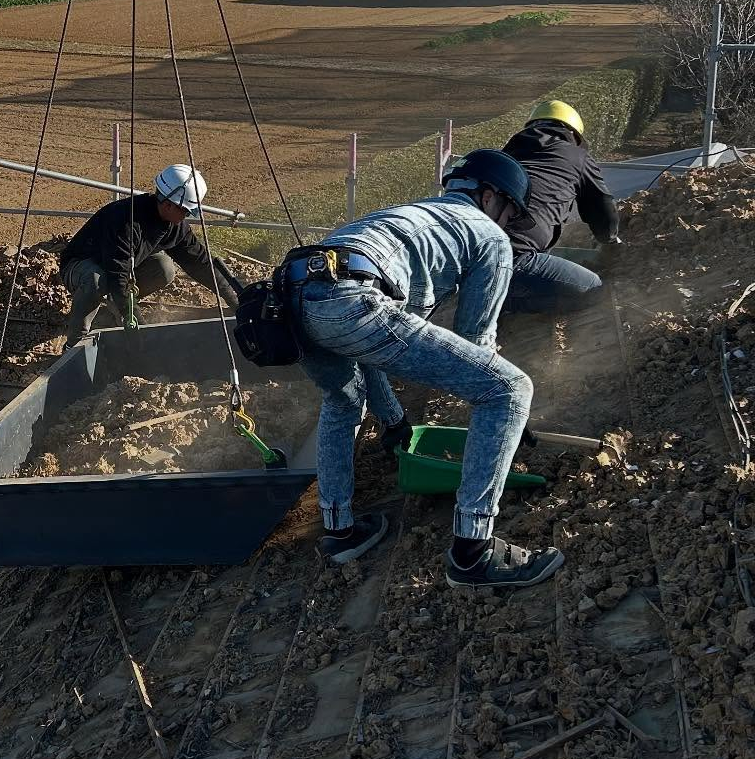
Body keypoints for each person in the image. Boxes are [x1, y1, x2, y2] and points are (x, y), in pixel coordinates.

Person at [283, 149, 564, 590]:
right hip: (353, 298)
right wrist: (511, 419)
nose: (508, 222)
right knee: (510, 390)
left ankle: (340, 533)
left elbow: (361, 333)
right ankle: (473, 555)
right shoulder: (490, 236)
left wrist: (393, 419)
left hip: (292, 300)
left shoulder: (412, 213)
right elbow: (477, 342)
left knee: (343, 401)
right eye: (510, 212)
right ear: (491, 197)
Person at [59, 164, 241, 347]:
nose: (186, 216)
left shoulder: (175, 226)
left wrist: (232, 298)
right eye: (185, 211)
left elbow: (200, 263)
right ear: (168, 204)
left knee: (164, 268)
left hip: (121, 267)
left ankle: (116, 304)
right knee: (97, 279)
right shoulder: (126, 220)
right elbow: (117, 274)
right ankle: (75, 343)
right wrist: (137, 323)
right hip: (80, 265)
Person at [501, 100, 619, 314]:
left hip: (471, 257)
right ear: (573, 134)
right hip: (512, 261)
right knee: (595, 290)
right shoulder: (578, 156)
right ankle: (505, 303)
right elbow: (602, 210)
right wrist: (611, 242)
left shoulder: (506, 155)